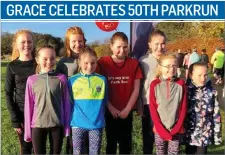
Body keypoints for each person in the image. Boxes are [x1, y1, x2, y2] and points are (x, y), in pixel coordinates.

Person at [97, 32, 143, 154]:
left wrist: (128, 109)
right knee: (111, 142)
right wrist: (110, 108)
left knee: (126, 144)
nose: (122, 50)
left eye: (125, 47)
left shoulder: (133, 63)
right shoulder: (103, 62)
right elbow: (99, 89)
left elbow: (136, 89)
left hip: (126, 111)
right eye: (118, 47)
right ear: (111, 46)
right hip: (109, 110)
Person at [24, 45, 71, 154]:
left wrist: (66, 126)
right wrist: (27, 131)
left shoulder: (61, 78)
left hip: (57, 125)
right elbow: (28, 106)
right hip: (37, 125)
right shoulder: (31, 80)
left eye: (52, 58)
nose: (49, 61)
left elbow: (66, 104)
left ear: (56, 59)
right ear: (37, 60)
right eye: (45, 59)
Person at [68, 47, 107, 155]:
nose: (89, 66)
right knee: (77, 152)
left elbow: (104, 101)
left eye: (93, 63)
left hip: (96, 124)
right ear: (79, 62)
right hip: (77, 124)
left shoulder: (102, 80)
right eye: (86, 63)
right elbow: (70, 102)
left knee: (95, 152)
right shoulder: (72, 80)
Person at [56, 26, 87, 154]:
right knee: (72, 144)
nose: (77, 44)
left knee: (87, 143)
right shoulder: (63, 63)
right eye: (73, 41)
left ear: (84, 41)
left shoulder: (89, 59)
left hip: (87, 108)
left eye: (80, 41)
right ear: (68, 43)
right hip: (71, 110)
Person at [5, 29, 36, 154]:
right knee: (26, 148)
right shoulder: (12, 66)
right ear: (17, 45)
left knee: (39, 149)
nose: (26, 44)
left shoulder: (39, 63)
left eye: (29, 41)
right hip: (22, 115)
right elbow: (8, 93)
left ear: (33, 44)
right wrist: (15, 120)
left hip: (40, 114)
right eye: (23, 42)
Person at [149, 54, 187, 155]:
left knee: (174, 153)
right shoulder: (154, 84)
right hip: (159, 129)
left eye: (174, 66)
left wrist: (177, 128)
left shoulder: (181, 84)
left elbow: (183, 108)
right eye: (168, 66)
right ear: (160, 67)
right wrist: (160, 129)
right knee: (160, 152)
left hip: (176, 129)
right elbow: (153, 109)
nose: (171, 69)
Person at [139, 30, 166, 154]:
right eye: (156, 44)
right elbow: (139, 84)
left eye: (162, 43)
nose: (160, 47)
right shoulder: (143, 61)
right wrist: (140, 102)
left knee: (164, 136)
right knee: (148, 137)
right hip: (149, 104)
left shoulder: (168, 60)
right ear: (149, 44)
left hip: (166, 105)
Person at [185, 62, 222, 154]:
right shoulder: (186, 91)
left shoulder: (212, 92)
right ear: (191, 75)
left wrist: (217, 135)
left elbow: (216, 115)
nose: (203, 78)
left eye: (205, 75)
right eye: (199, 75)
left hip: (204, 134)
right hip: (189, 133)